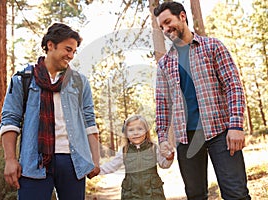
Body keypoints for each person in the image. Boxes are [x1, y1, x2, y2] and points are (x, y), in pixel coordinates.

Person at [154, 2, 251, 200]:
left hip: (220, 133)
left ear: (182, 16)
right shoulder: (164, 63)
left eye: (167, 22)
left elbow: (233, 86)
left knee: (236, 193)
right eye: (161, 26)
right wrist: (163, 139)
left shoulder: (212, 46)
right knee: (196, 196)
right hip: (186, 139)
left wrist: (236, 126)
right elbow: (163, 106)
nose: (165, 29)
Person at [0, 23, 100, 200]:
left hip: (72, 162)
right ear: (50, 45)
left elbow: (89, 122)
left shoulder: (79, 82)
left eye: (74, 51)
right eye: (68, 49)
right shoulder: (23, 79)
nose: (71, 55)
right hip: (34, 162)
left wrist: (95, 161)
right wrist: (10, 160)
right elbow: (10, 121)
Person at [99, 114, 174, 200]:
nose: (135, 133)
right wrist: (96, 170)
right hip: (131, 195)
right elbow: (112, 166)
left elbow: (164, 164)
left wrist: (169, 158)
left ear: (146, 131)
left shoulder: (153, 148)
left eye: (140, 129)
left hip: (153, 194)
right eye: (131, 130)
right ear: (126, 133)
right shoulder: (125, 151)